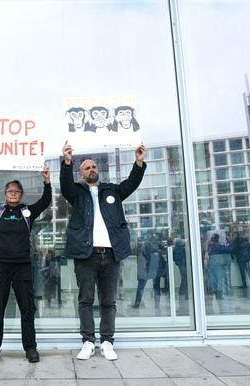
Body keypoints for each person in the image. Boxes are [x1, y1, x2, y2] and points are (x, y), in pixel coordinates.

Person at [60, 141, 146, 361]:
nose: (91, 169)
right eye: (87, 168)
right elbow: (65, 185)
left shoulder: (112, 191)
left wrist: (138, 163)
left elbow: (131, 184)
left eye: (94, 167)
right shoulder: (77, 193)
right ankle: (88, 341)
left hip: (110, 254)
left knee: (109, 301)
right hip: (85, 255)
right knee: (85, 300)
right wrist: (67, 162)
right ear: (81, 173)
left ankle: (107, 341)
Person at [0, 161, 52, 363]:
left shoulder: (28, 213)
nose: (13, 193)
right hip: (0, 267)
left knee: (27, 309)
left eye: (17, 191)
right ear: (5, 194)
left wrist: (47, 181)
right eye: (10, 190)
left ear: (21, 194)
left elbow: (46, 200)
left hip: (22, 266)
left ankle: (30, 348)